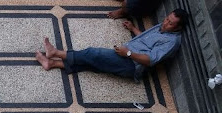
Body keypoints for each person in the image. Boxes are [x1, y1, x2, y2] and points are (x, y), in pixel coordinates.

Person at [35, 9, 188, 82]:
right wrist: (134, 29)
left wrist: (127, 53)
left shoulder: (171, 42)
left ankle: (55, 52)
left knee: (92, 54)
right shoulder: (164, 28)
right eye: (167, 19)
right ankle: (51, 63)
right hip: (127, 55)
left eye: (170, 23)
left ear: (178, 27)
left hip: (131, 64)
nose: (165, 23)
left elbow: (150, 59)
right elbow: (149, 43)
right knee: (91, 64)